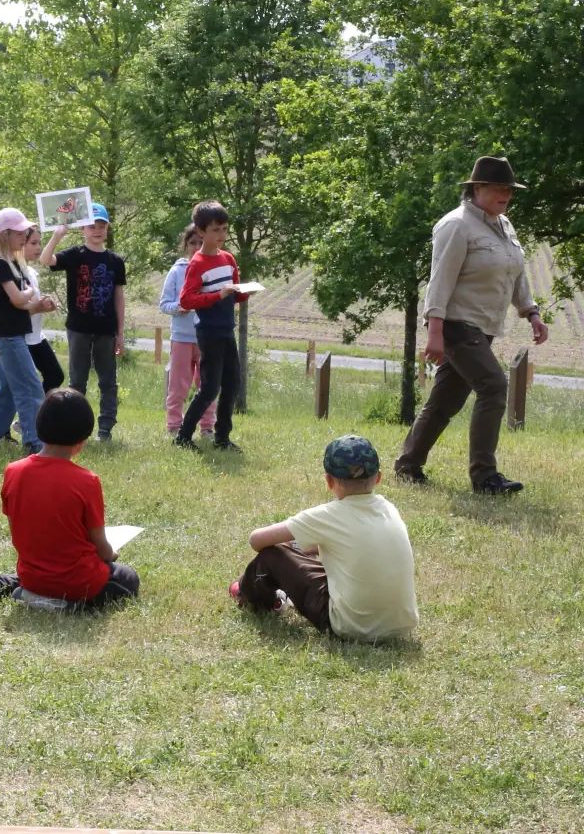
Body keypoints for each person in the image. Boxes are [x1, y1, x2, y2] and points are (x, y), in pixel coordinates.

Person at [396, 157, 548, 495]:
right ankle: (485, 477)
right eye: (498, 188)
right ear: (477, 188)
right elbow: (440, 282)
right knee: (493, 386)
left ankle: (407, 466)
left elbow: (516, 272)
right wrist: (434, 333)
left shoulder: (504, 225)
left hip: (483, 327)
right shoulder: (456, 225)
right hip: (456, 324)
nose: (505, 194)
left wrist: (531, 312)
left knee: (445, 402)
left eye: (509, 189)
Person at [0, 389, 140, 611]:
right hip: (79, 581)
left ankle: (16, 586)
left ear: (39, 428)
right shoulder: (87, 481)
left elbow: (18, 533)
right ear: (81, 441)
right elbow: (100, 546)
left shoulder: (13, 471)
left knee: (38, 577)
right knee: (127, 578)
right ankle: (63, 603)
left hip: (32, 575)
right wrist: (110, 555)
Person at [232, 435, 418, 642]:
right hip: (401, 626)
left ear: (328, 480)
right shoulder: (388, 508)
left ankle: (249, 593)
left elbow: (256, 540)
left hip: (349, 627)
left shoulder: (327, 515)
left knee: (271, 555)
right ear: (378, 478)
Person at [0, 208, 57, 455]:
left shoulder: (13, 264)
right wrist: (30, 294)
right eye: (20, 233)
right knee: (31, 388)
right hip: (9, 338)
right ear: (5, 235)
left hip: (14, 334)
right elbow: (18, 299)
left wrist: (37, 305)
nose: (24, 236)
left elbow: (19, 309)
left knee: (5, 392)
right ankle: (35, 443)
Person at [38, 203, 126, 441]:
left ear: (107, 229)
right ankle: (77, 428)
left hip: (106, 330)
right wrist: (57, 236)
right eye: (92, 226)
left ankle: (105, 428)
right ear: (83, 229)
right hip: (78, 328)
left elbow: (118, 297)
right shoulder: (75, 255)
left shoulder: (115, 261)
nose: (97, 230)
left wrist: (120, 332)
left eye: (102, 226)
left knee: (108, 381)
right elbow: (46, 260)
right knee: (78, 382)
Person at [174, 200, 253, 453]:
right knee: (209, 388)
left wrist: (244, 292)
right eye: (216, 230)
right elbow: (186, 299)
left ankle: (222, 438)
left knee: (232, 385)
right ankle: (183, 437)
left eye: (225, 229)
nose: (222, 235)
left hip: (226, 329)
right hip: (208, 332)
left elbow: (236, 295)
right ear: (200, 231)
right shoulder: (196, 263)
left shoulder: (229, 258)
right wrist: (218, 295)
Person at [158, 224, 217, 439]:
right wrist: (178, 308)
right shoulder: (177, 271)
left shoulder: (213, 269)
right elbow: (164, 304)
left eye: (201, 242)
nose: (197, 247)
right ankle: (174, 426)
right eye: (192, 243)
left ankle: (207, 427)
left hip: (207, 338)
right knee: (178, 385)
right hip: (181, 338)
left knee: (208, 385)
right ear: (186, 245)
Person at [23, 226, 64, 393]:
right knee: (23, 385)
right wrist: (39, 307)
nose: (39, 248)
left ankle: (40, 415)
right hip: (22, 339)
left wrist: (45, 304)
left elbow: (34, 304)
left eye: (39, 242)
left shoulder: (31, 272)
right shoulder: (12, 273)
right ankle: (30, 417)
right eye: (33, 243)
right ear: (19, 243)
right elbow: (12, 313)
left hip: (36, 336)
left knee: (55, 376)